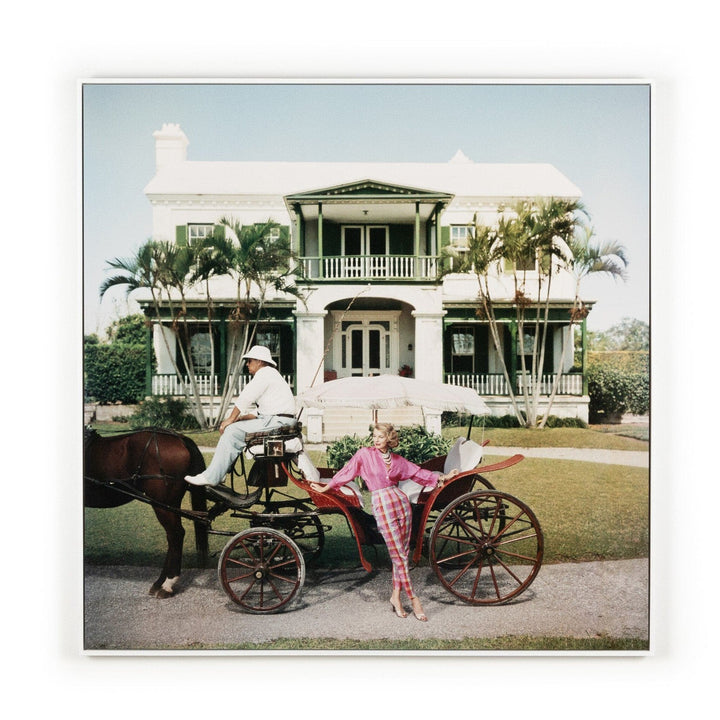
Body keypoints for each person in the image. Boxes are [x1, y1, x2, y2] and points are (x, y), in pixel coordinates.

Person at [310, 423, 459, 621]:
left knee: (402, 553)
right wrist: (325, 488)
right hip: (382, 505)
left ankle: (396, 597)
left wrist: (444, 477)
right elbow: (346, 472)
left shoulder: (396, 459)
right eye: (374, 435)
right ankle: (414, 598)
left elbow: (417, 473)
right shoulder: (364, 455)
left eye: (380, 436)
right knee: (397, 554)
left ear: (389, 439)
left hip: (401, 503)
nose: (376, 439)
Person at [185, 345, 297, 487]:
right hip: (278, 420)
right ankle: (220, 473)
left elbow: (246, 397)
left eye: (250, 361)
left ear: (260, 362)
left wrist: (230, 419)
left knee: (232, 431)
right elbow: (261, 412)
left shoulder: (264, 373)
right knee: (234, 427)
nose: (247, 364)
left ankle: (213, 477)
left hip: (278, 421)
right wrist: (239, 419)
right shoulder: (271, 374)